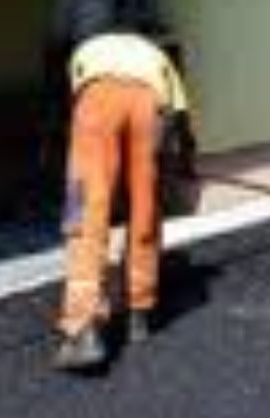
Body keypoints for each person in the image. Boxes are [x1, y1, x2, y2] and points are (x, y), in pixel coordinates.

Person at [53, 29, 197, 372]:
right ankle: (139, 312)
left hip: (96, 100)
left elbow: (72, 103)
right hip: (150, 106)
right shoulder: (158, 58)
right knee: (146, 207)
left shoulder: (86, 51)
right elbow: (181, 122)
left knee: (86, 210)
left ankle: (83, 327)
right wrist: (185, 167)